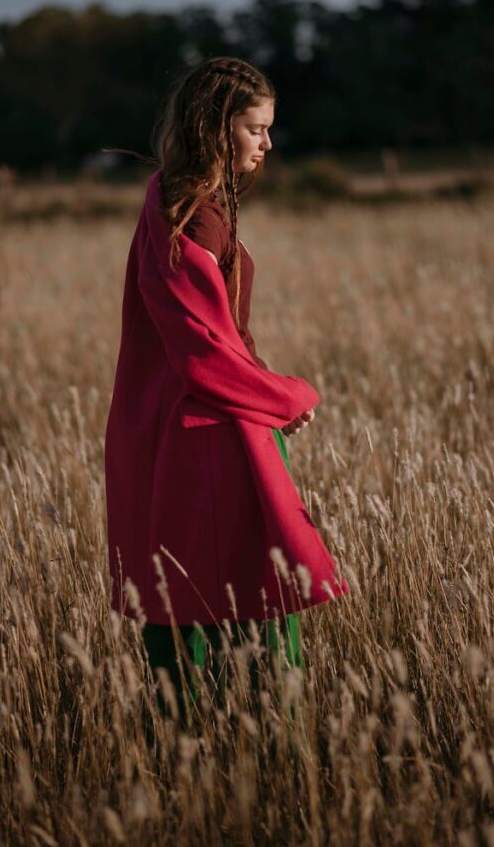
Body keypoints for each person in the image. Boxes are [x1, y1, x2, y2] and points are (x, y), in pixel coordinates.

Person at [104, 56, 349, 727]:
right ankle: (266, 760)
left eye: (269, 129)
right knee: (247, 603)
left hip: (200, 422)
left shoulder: (181, 198)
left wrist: (262, 388)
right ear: (216, 128)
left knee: (195, 604)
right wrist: (287, 397)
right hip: (206, 434)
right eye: (254, 128)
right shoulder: (191, 214)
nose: (267, 144)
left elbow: (216, 338)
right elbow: (202, 350)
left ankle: (198, 757)